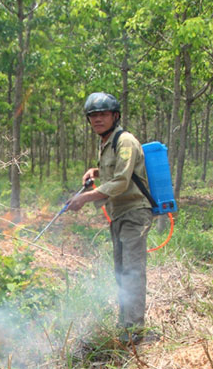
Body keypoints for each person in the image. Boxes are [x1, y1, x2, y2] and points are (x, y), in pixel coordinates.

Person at [66, 92, 155, 345]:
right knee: (120, 272)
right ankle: (125, 324)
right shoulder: (107, 143)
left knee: (132, 272)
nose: (98, 119)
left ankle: (134, 332)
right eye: (93, 116)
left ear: (115, 116)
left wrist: (86, 198)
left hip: (135, 212)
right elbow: (111, 172)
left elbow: (121, 180)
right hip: (118, 214)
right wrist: (94, 171)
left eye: (103, 114)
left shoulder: (125, 141)